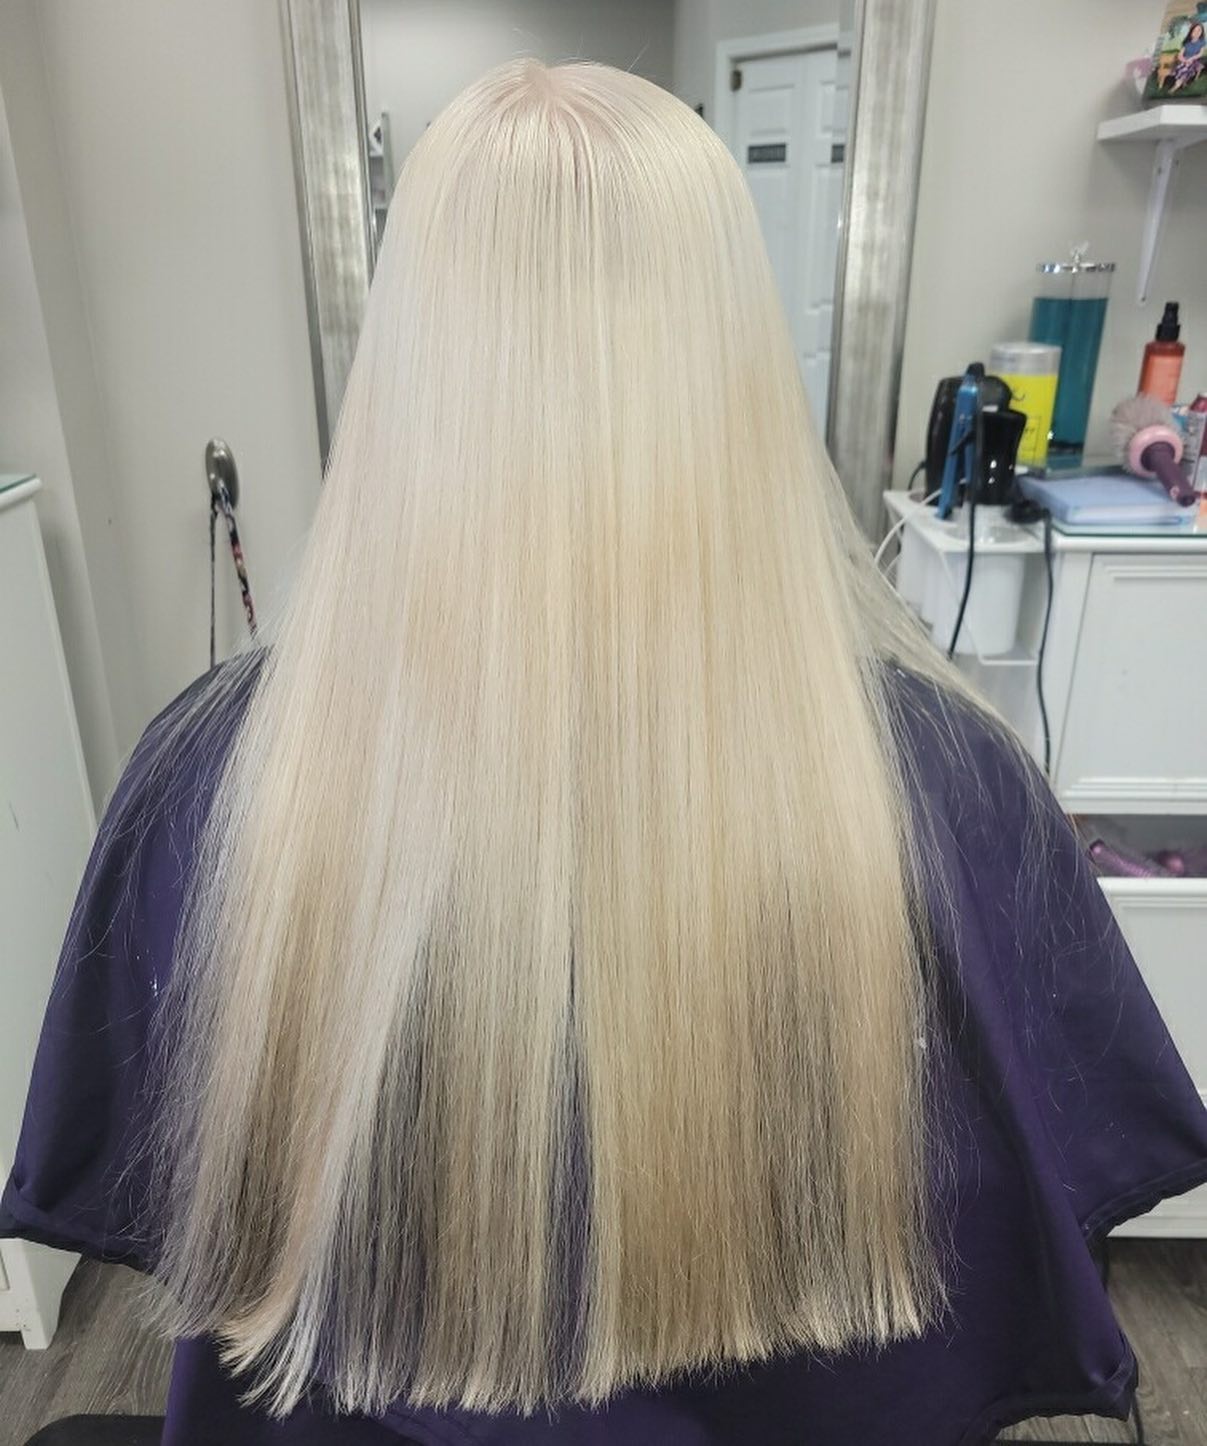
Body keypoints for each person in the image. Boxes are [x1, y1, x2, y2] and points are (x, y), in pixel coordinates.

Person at [4, 60, 1206, 1446]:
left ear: (409, 357)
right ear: (734, 355)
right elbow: (1032, 1244)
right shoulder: (956, 793)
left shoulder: (211, 786)